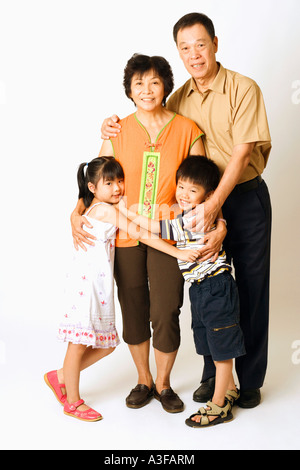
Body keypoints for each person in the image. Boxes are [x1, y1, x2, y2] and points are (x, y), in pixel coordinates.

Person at [101, 13, 272, 409]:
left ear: (215, 43)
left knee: (248, 287)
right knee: (205, 289)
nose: (194, 54)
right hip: (194, 204)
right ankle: (213, 375)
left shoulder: (243, 88)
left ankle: (248, 381)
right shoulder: (179, 99)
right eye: (185, 48)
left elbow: (243, 152)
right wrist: (110, 124)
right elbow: (152, 115)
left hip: (240, 196)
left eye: (200, 44)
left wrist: (216, 208)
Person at [71, 53, 227, 414]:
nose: (146, 89)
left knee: (166, 309)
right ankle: (143, 379)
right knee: (134, 309)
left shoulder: (188, 129)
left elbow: (204, 187)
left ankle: (164, 383)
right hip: (125, 237)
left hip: (169, 235)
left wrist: (218, 225)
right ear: (129, 89)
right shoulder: (117, 130)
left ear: (165, 86)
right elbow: (94, 183)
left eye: (154, 82)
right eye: (138, 83)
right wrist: (74, 213)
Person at [45, 156, 200, 422]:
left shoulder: (100, 207)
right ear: (93, 188)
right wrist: (177, 252)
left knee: (105, 345)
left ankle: (59, 376)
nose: (117, 188)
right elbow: (141, 233)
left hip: (98, 285)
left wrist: (124, 210)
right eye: (109, 183)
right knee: (79, 343)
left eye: (119, 181)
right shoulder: (104, 210)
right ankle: (73, 401)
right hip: (87, 285)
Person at [119, 155, 246, 427]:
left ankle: (220, 404)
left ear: (209, 195)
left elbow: (155, 227)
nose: (184, 194)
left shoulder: (194, 219)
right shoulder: (186, 214)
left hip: (216, 286)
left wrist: (125, 211)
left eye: (193, 190)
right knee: (211, 340)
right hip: (201, 287)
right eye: (181, 186)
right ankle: (230, 388)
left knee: (221, 345)